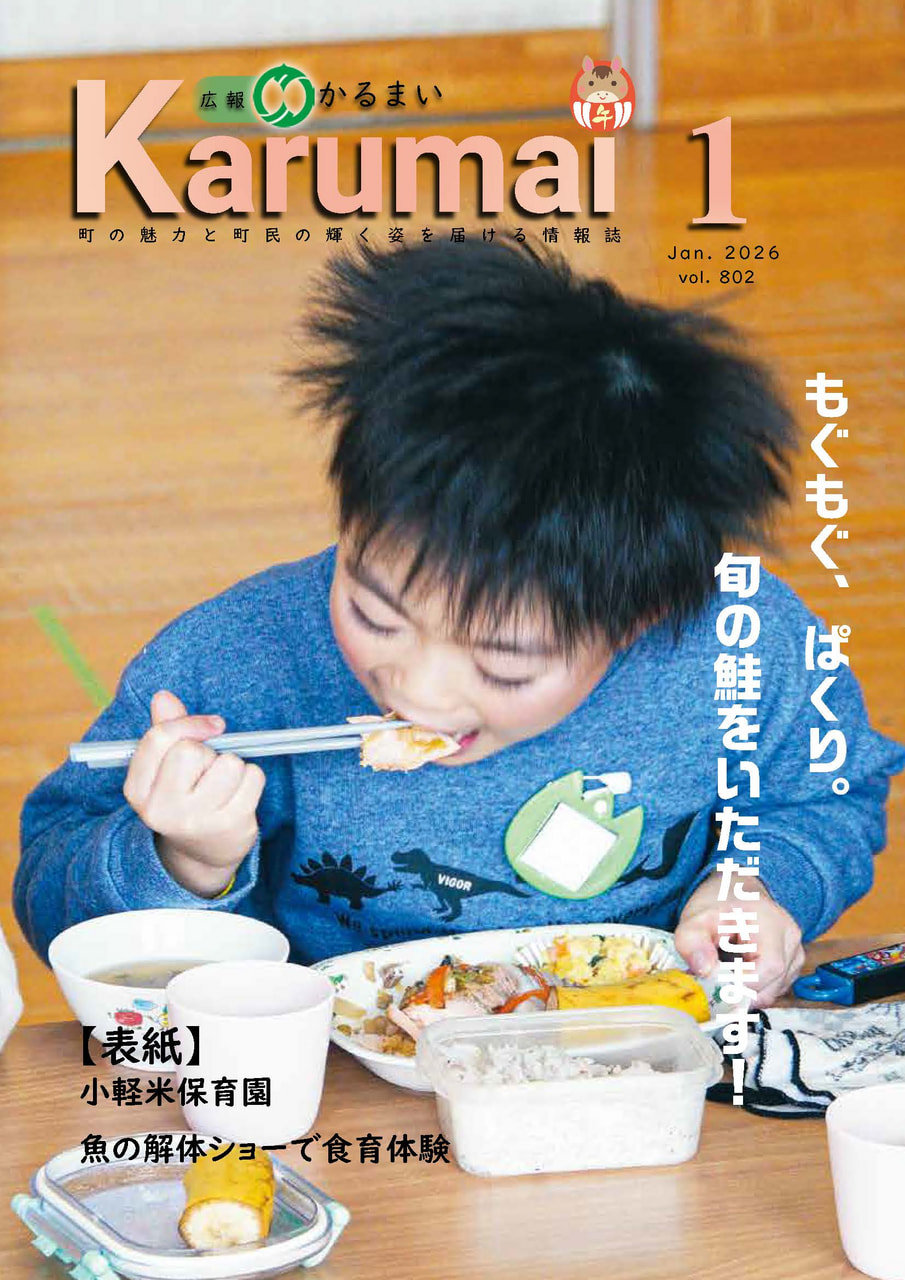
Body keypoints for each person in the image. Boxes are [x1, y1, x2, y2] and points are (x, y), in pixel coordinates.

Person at [15, 238, 905, 1008]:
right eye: (374, 614)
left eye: (506, 666)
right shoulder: (235, 663)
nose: (420, 693)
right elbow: (50, 899)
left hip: (644, 1052)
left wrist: (755, 885)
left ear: (646, 614)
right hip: (338, 1088)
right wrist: (183, 861)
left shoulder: (742, 648)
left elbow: (823, 795)